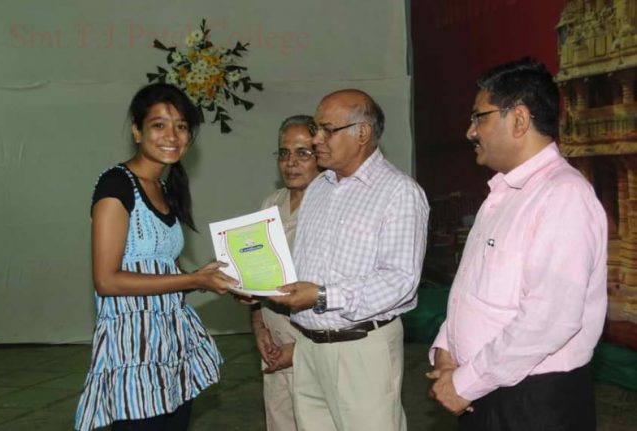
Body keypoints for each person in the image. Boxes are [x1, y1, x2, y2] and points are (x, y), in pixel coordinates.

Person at [427, 58, 608, 431]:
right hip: (483, 388)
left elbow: (550, 318)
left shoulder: (563, 196)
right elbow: (472, 290)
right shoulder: (503, 192)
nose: (470, 132)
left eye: (479, 117)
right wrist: (447, 349)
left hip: (532, 402)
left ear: (520, 119)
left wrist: (466, 382)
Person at [74, 83, 238, 431]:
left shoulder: (165, 188)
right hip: (134, 349)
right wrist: (194, 279)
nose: (172, 136)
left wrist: (203, 276)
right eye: (159, 125)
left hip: (171, 343)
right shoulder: (116, 185)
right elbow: (107, 280)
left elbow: (160, 272)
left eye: (181, 126)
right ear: (137, 131)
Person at [270, 89, 429, 431]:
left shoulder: (398, 192)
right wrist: (259, 286)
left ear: (362, 133)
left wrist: (322, 296)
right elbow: (305, 265)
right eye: (316, 129)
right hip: (308, 347)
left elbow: (400, 280)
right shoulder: (319, 188)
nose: (316, 139)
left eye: (327, 130)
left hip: (361, 348)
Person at [251, 114, 320, 431]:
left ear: (321, 154)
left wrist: (300, 350)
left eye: (303, 153)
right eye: (284, 153)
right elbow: (256, 275)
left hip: (315, 348)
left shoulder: (332, 205)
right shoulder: (271, 204)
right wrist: (259, 327)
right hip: (274, 345)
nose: (291, 162)